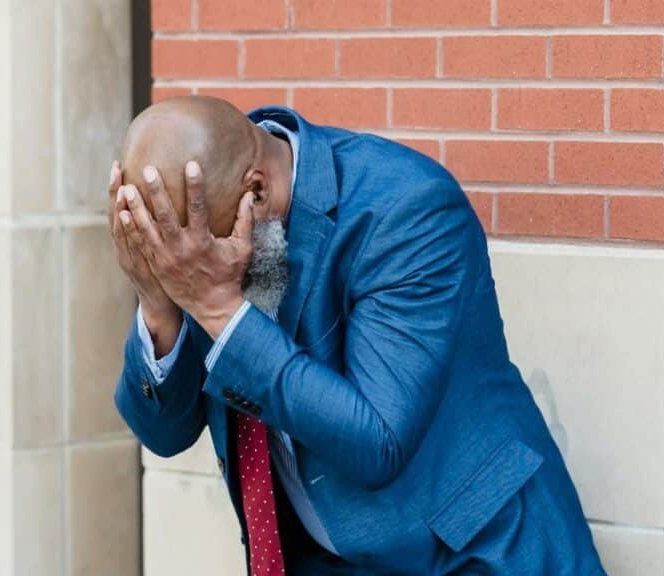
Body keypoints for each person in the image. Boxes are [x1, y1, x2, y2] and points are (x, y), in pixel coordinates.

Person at [110, 95, 605, 575]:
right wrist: (158, 304)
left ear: (256, 192)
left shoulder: (406, 209)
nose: (182, 271)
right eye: (166, 261)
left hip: (474, 553)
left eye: (186, 267)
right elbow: (165, 435)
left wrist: (219, 309)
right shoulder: (195, 237)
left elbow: (378, 442)